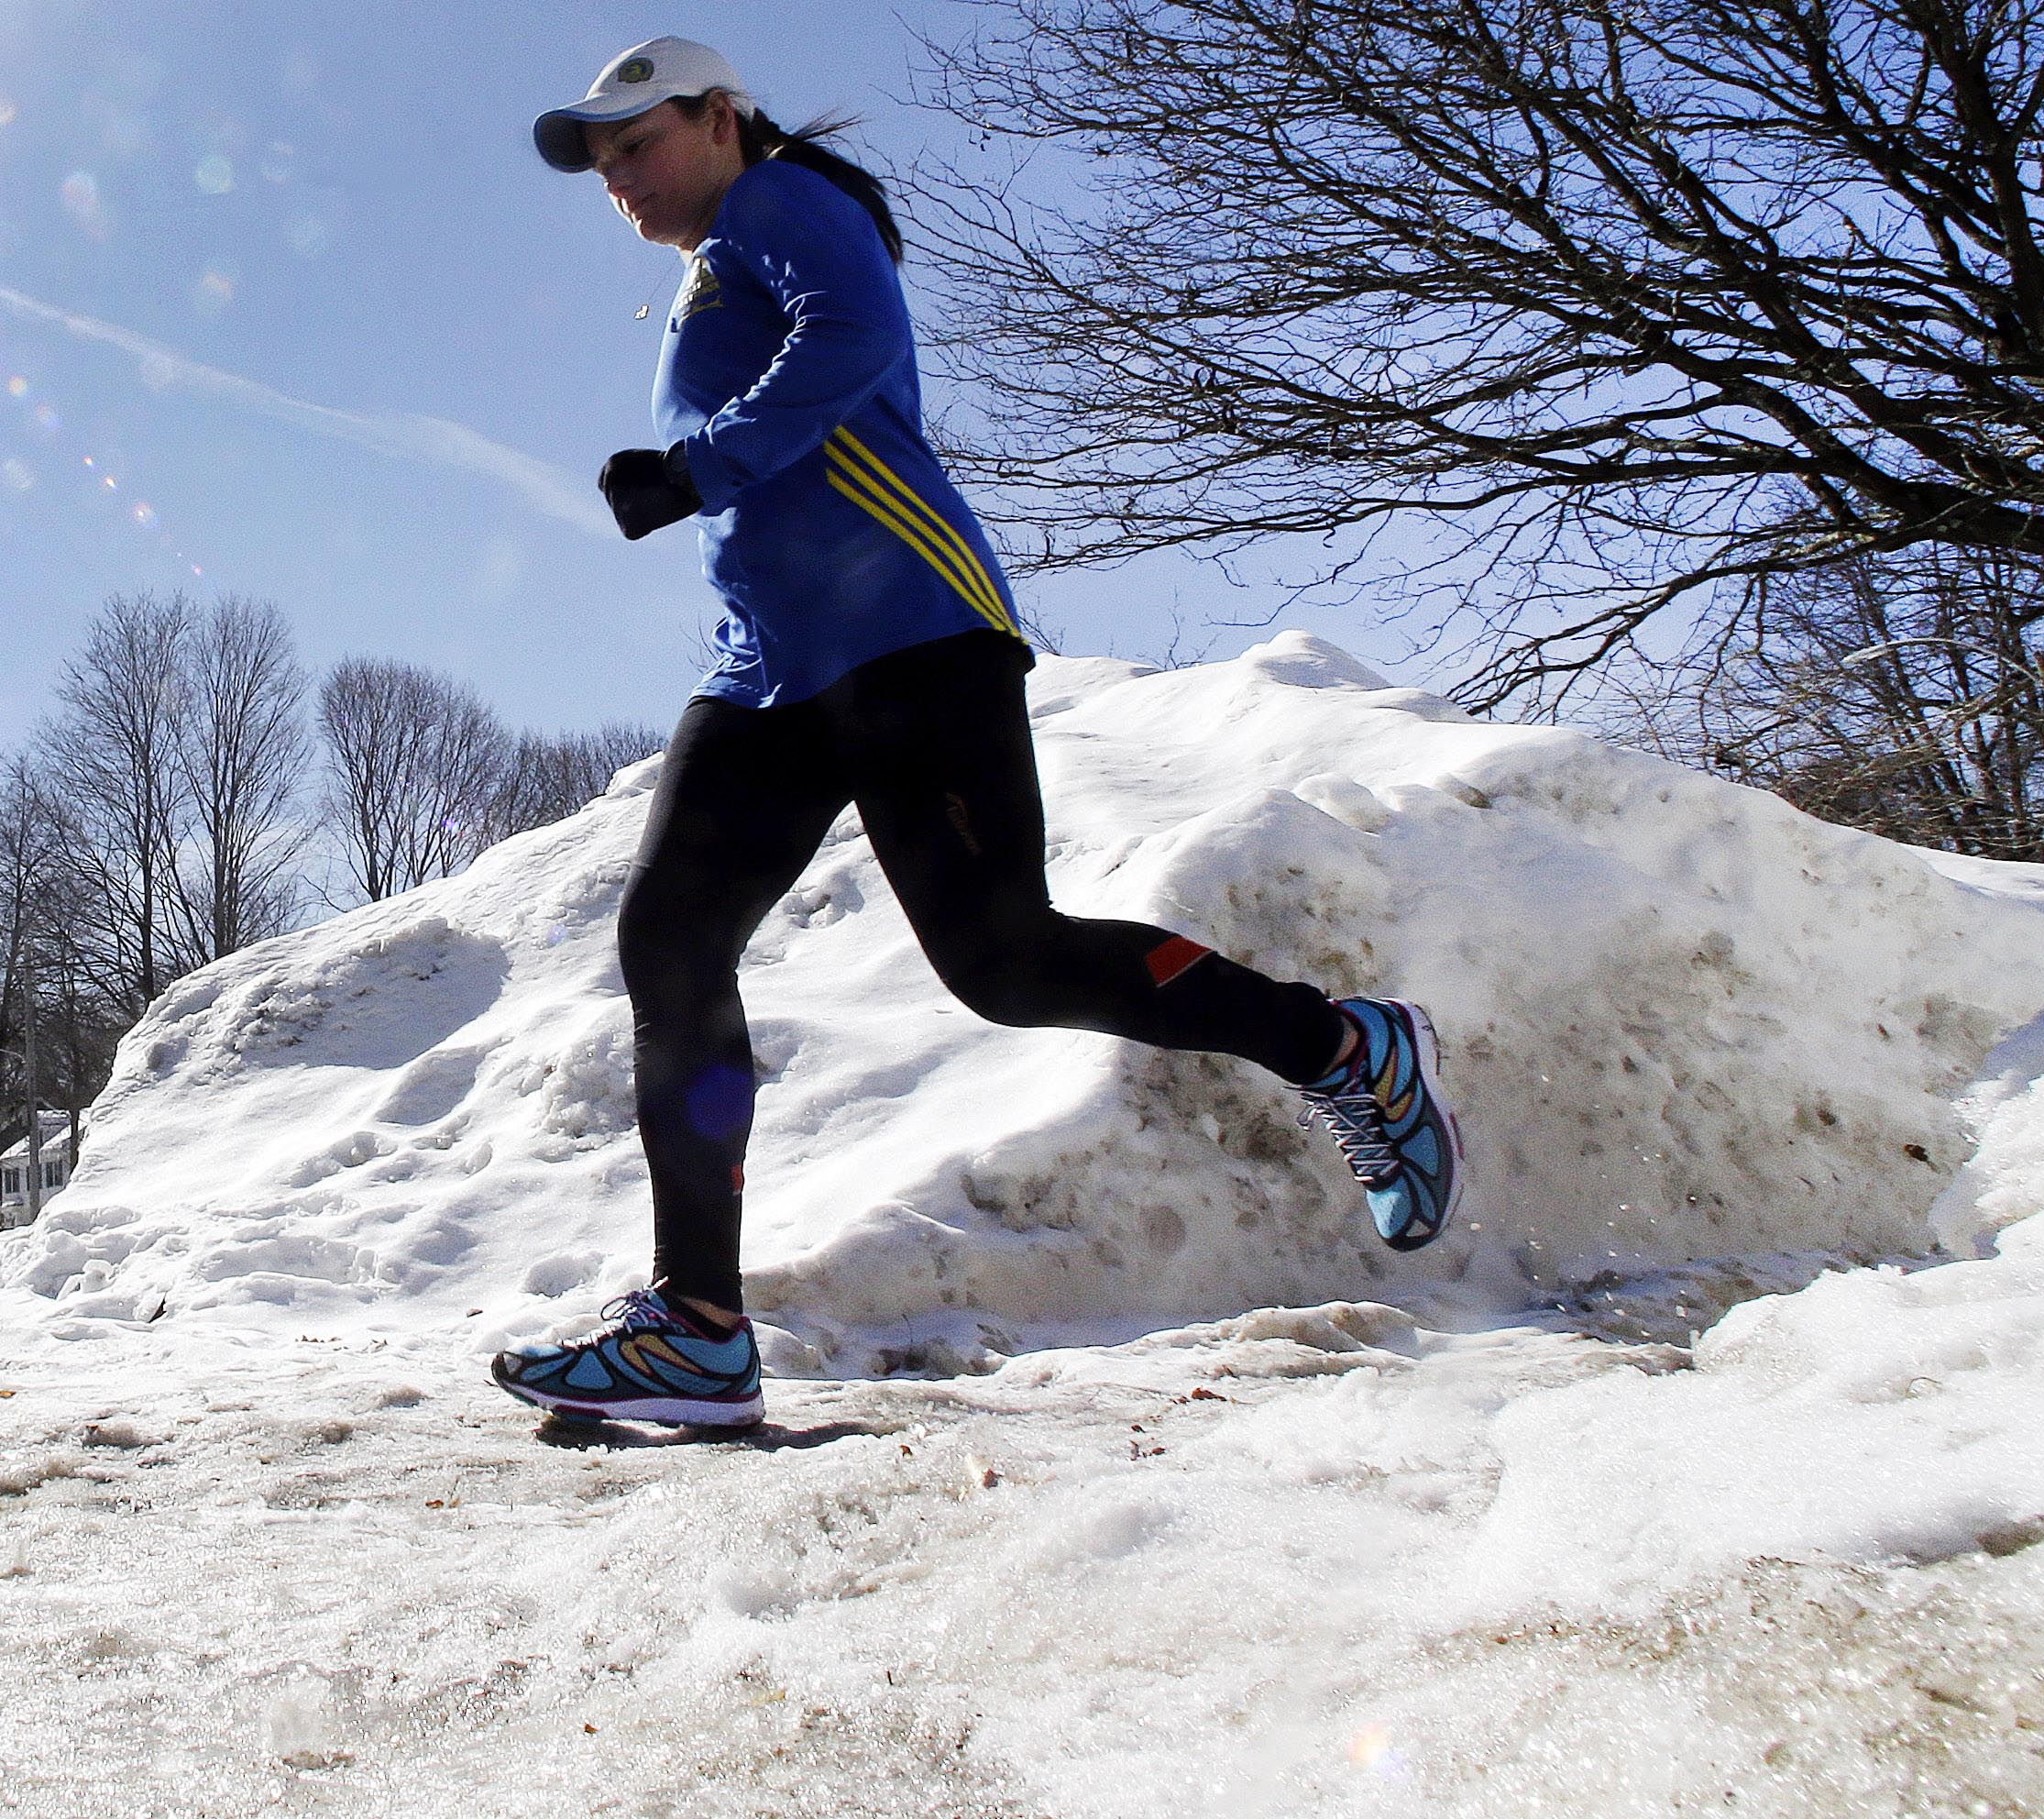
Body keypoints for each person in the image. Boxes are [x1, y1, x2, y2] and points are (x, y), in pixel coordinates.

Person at [490, 39, 1463, 1428]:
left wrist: (699, 465)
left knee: (1005, 960)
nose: (616, 177)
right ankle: (699, 1325)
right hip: (771, 667)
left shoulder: (775, 201)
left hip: (905, 634)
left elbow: (855, 337)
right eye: (599, 160)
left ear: (720, 117)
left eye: (635, 142)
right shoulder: (720, 253)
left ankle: (1342, 1049)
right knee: (673, 938)